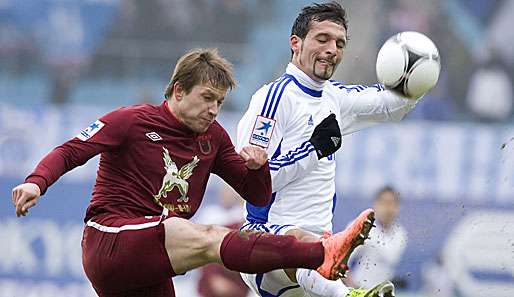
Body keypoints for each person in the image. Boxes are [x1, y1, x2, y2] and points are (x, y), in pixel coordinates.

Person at [11, 48, 375, 297]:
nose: (215, 109)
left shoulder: (213, 138)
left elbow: (259, 195)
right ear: (178, 91)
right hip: (112, 241)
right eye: (207, 98)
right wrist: (36, 181)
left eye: (219, 101)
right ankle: (321, 254)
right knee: (209, 238)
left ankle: (320, 256)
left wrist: (259, 167)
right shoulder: (132, 121)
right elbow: (73, 149)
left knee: (201, 235)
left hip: (151, 264)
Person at [236, 2, 421, 297]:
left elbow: (389, 106)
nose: (332, 49)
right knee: (308, 248)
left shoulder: (334, 97)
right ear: (295, 43)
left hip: (319, 259)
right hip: (268, 240)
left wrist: (418, 77)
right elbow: (251, 183)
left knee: (317, 251)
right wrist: (312, 150)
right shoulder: (273, 99)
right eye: (322, 39)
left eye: (339, 43)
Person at [346, 186, 408, 289]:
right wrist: (355, 289)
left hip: (382, 292)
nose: (388, 208)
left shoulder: (400, 234)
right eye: (384, 203)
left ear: (398, 207)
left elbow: (390, 258)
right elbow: (338, 262)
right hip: (356, 290)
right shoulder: (360, 227)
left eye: (392, 203)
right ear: (375, 205)